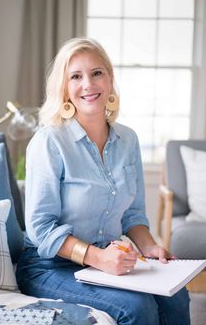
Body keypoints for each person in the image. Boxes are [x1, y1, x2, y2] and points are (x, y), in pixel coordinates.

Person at [16, 37, 190, 325]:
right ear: (64, 87)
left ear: (109, 78)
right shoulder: (49, 142)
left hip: (107, 259)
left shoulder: (128, 139)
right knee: (137, 308)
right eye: (76, 76)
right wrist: (98, 258)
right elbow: (41, 229)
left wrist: (149, 248)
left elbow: (133, 214)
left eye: (97, 73)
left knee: (177, 294)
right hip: (49, 266)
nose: (88, 84)